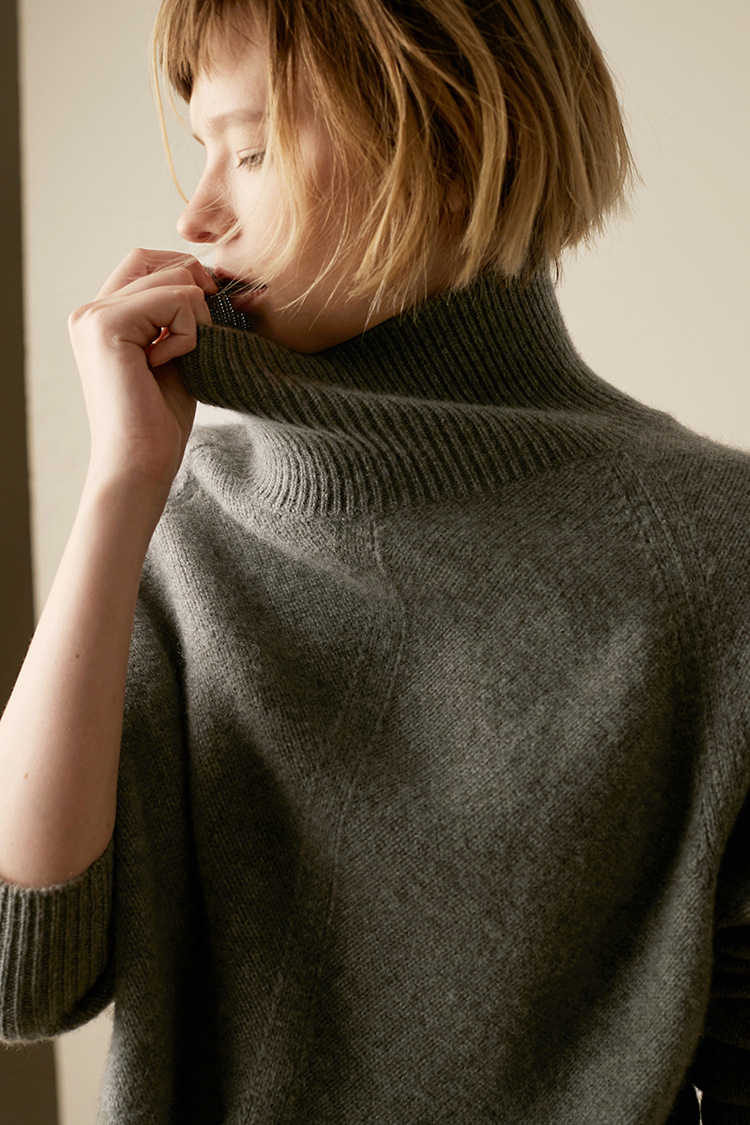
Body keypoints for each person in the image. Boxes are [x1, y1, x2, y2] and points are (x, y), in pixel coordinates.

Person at [1, 0, 748, 1121]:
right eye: (202, 149)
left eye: (253, 150)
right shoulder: (181, 529)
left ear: (448, 143)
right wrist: (118, 494)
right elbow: (21, 980)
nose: (198, 214)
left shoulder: (716, 547)